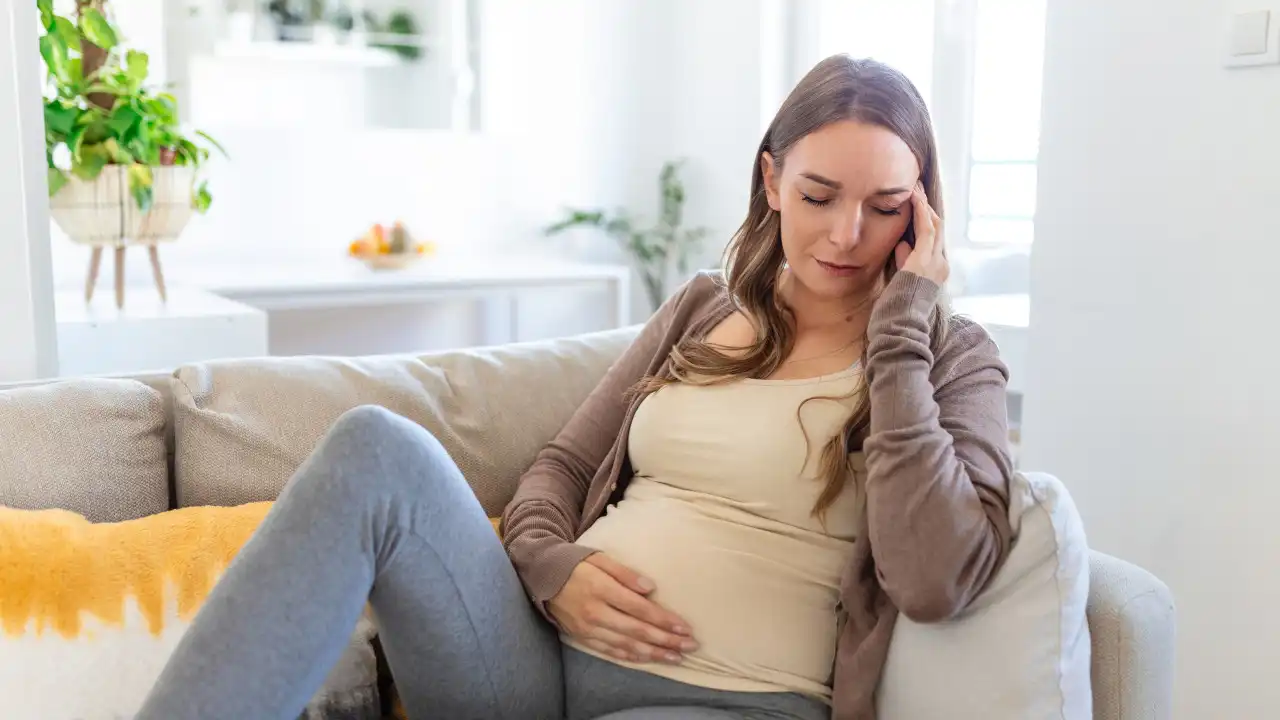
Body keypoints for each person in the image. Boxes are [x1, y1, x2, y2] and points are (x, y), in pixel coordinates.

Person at [138, 54, 1014, 720]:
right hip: (529, 660)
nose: (847, 235)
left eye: (886, 205)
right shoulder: (703, 308)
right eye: (819, 195)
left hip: (723, 700)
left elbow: (936, 577)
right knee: (377, 448)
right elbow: (560, 468)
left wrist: (902, 330)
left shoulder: (948, 359)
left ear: (922, 213)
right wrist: (553, 569)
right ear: (772, 180)